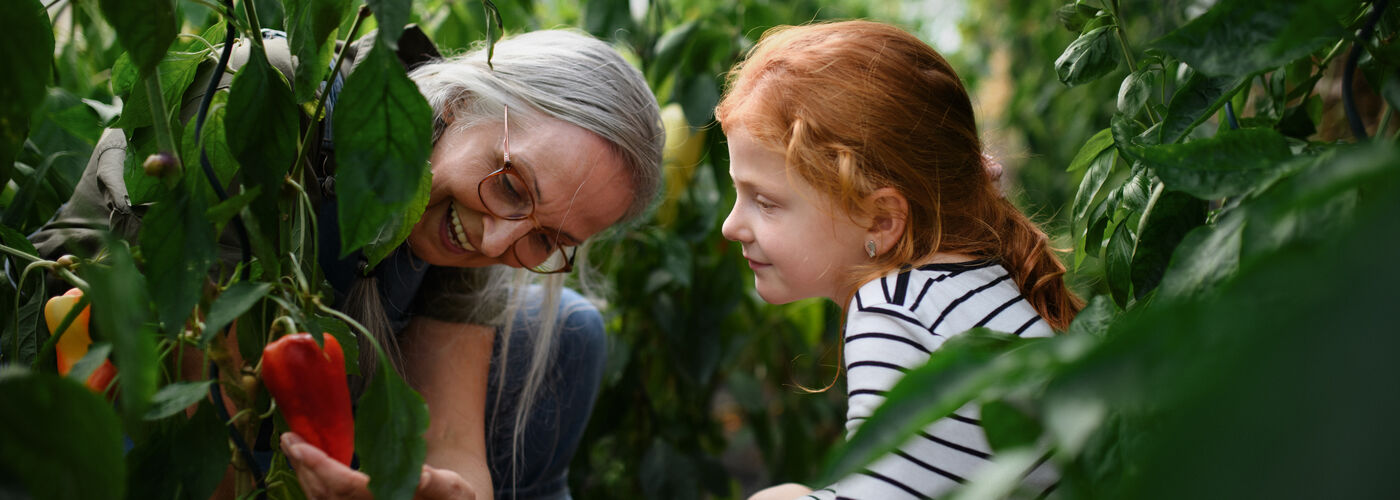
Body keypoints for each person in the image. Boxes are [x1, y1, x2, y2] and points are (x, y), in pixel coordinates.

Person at [29, 27, 663, 500]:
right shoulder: (265, 104)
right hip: (114, 385)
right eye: (511, 187)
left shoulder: (475, 204)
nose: (498, 243)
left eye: (546, 239)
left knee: (570, 332)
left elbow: (449, 440)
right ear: (460, 103)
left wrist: (452, 492)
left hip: (287, 406)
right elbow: (211, 448)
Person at [714, 21, 1082, 499]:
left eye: (764, 202)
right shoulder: (980, 278)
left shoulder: (894, 308)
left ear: (881, 220)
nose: (730, 225)